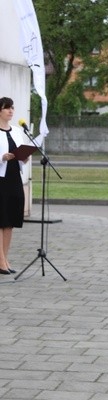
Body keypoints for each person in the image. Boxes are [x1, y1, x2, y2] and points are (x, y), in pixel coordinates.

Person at [0, 97, 27, 275]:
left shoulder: (17, 132)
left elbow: (21, 155)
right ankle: (0, 261)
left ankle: (5, 258)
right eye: (7, 108)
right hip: (0, 178)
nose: (11, 111)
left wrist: (24, 157)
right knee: (0, 219)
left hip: (14, 177)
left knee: (10, 220)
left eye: (12, 108)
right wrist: (3, 157)